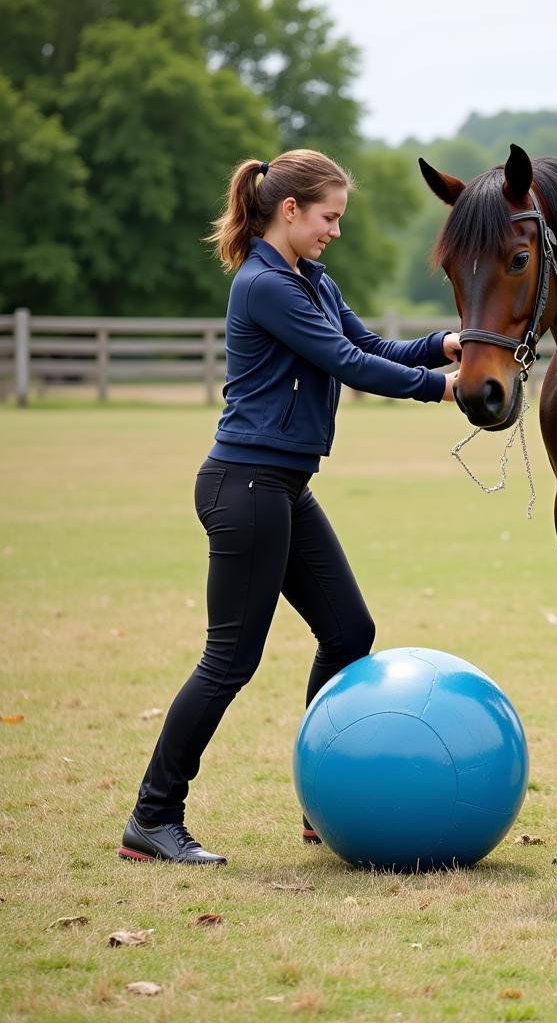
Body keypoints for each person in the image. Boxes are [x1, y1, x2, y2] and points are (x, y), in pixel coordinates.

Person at [118, 149, 460, 864]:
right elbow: (349, 364)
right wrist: (445, 388)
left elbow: (370, 342)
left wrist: (445, 345)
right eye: (329, 217)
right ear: (291, 210)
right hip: (244, 486)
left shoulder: (311, 279)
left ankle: (323, 798)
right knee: (229, 660)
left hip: (280, 485)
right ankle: (153, 817)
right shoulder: (265, 285)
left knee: (347, 631)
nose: (335, 229)